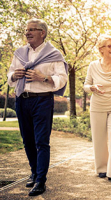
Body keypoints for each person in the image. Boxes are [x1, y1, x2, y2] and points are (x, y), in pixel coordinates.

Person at [7, 19, 68, 196]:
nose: (27, 33)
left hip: (42, 100)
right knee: (27, 140)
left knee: (41, 141)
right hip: (22, 100)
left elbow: (62, 78)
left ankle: (41, 180)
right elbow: (10, 73)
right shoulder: (19, 53)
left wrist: (44, 78)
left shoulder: (54, 54)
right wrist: (14, 75)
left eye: (32, 29)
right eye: (26, 30)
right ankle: (34, 173)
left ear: (43, 33)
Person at [83, 34, 111, 184]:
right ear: (101, 49)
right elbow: (86, 86)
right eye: (109, 46)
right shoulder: (93, 66)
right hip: (97, 105)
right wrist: (92, 88)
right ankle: (101, 168)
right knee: (99, 137)